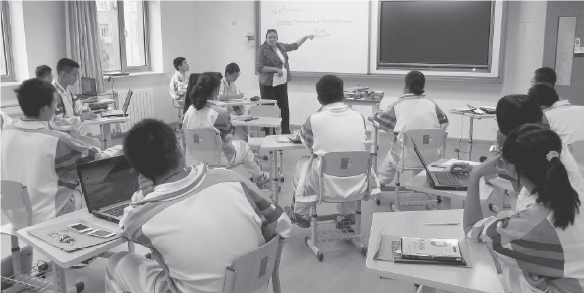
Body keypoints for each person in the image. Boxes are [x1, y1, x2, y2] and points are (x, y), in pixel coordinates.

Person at [106, 118, 291, 293]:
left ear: (140, 173)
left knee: (118, 263)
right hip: (253, 285)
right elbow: (282, 225)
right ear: (179, 149)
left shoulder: (145, 215)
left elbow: (125, 227)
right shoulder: (229, 178)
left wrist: (143, 195)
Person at [464, 124, 584, 293]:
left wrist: (475, 175)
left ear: (511, 166)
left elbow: (471, 228)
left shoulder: (527, 226)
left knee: (499, 271)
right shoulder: (575, 194)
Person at [0, 79, 119, 225]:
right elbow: (96, 160)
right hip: (46, 215)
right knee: (89, 182)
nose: (56, 109)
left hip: (15, 214)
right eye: (55, 104)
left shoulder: (5, 133)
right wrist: (121, 148)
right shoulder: (55, 140)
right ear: (45, 109)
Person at [452, 94, 583, 213]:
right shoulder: (549, 143)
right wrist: (479, 168)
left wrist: (476, 173)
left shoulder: (530, 156)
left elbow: (472, 230)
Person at [285, 75, 381, 228]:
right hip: (358, 180)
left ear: (319, 98)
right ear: (342, 94)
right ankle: (347, 216)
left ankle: (300, 212)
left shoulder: (314, 119)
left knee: (301, 163)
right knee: (349, 162)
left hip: (325, 183)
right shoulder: (358, 116)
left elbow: (309, 145)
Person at [182, 72, 269, 186]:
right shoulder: (219, 112)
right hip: (219, 159)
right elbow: (228, 137)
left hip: (196, 160)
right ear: (216, 90)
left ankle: (259, 176)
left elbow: (185, 134)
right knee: (243, 145)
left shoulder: (189, 112)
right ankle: (260, 176)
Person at [373, 71, 449, 187]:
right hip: (431, 158)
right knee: (420, 147)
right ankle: (419, 185)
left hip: (404, 158)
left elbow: (383, 124)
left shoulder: (398, 104)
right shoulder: (431, 103)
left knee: (390, 156)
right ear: (423, 86)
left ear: (405, 85)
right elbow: (444, 122)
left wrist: (374, 118)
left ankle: (380, 183)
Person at [256, 29, 314, 134]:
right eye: (270, 37)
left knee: (284, 107)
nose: (272, 39)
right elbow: (260, 67)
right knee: (269, 108)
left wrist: (305, 37)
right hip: (267, 83)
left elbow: (294, 45)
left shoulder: (280, 46)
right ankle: (270, 132)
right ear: (266, 38)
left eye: (274, 37)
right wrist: (276, 69)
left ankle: (286, 131)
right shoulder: (262, 49)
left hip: (281, 81)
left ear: (277, 38)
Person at [51, 58, 97, 135]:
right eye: (75, 75)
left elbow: (76, 106)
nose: (77, 78)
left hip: (72, 132)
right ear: (64, 74)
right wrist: (80, 119)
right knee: (94, 143)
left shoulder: (67, 91)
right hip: (64, 137)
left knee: (94, 140)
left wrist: (85, 110)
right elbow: (56, 123)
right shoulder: (54, 94)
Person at [219, 63, 247, 140]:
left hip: (231, 110)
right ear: (227, 74)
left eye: (237, 76)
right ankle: (244, 139)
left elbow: (234, 101)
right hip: (222, 111)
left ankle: (247, 139)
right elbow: (220, 97)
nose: (236, 78)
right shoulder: (221, 83)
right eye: (235, 76)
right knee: (238, 121)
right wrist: (236, 96)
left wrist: (238, 106)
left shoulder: (232, 84)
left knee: (244, 117)